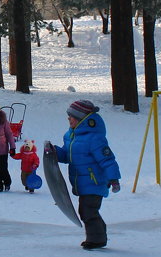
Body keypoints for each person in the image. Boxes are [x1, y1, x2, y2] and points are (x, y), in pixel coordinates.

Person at [47, 99, 121, 249]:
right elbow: (68, 156)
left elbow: (107, 160)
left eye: (72, 117)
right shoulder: (71, 137)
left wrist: (114, 179)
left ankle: (97, 240)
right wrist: (55, 152)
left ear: (82, 120)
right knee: (87, 211)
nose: (69, 119)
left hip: (94, 182)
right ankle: (99, 235)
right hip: (82, 183)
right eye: (68, 116)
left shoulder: (94, 138)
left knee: (87, 211)